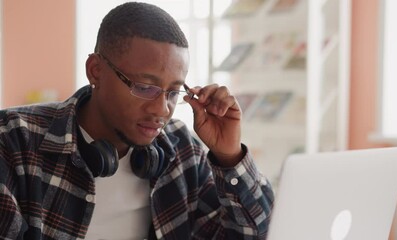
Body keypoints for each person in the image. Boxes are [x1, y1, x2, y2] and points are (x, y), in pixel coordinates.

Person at [0, 2, 274, 239]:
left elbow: (257, 234)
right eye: (145, 87)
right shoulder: (13, 141)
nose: (161, 110)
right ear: (95, 71)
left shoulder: (181, 148)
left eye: (174, 92)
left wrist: (229, 156)